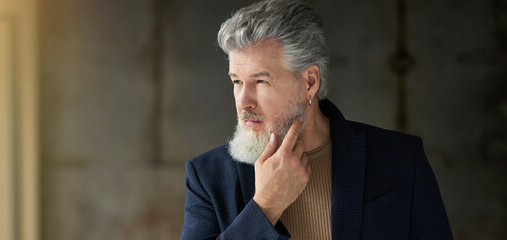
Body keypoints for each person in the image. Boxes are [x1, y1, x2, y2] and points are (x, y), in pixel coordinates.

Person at [180, 0, 453, 239]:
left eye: (260, 81)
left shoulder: (401, 159)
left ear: (309, 82)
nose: (243, 101)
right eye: (237, 81)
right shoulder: (207, 176)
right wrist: (265, 207)